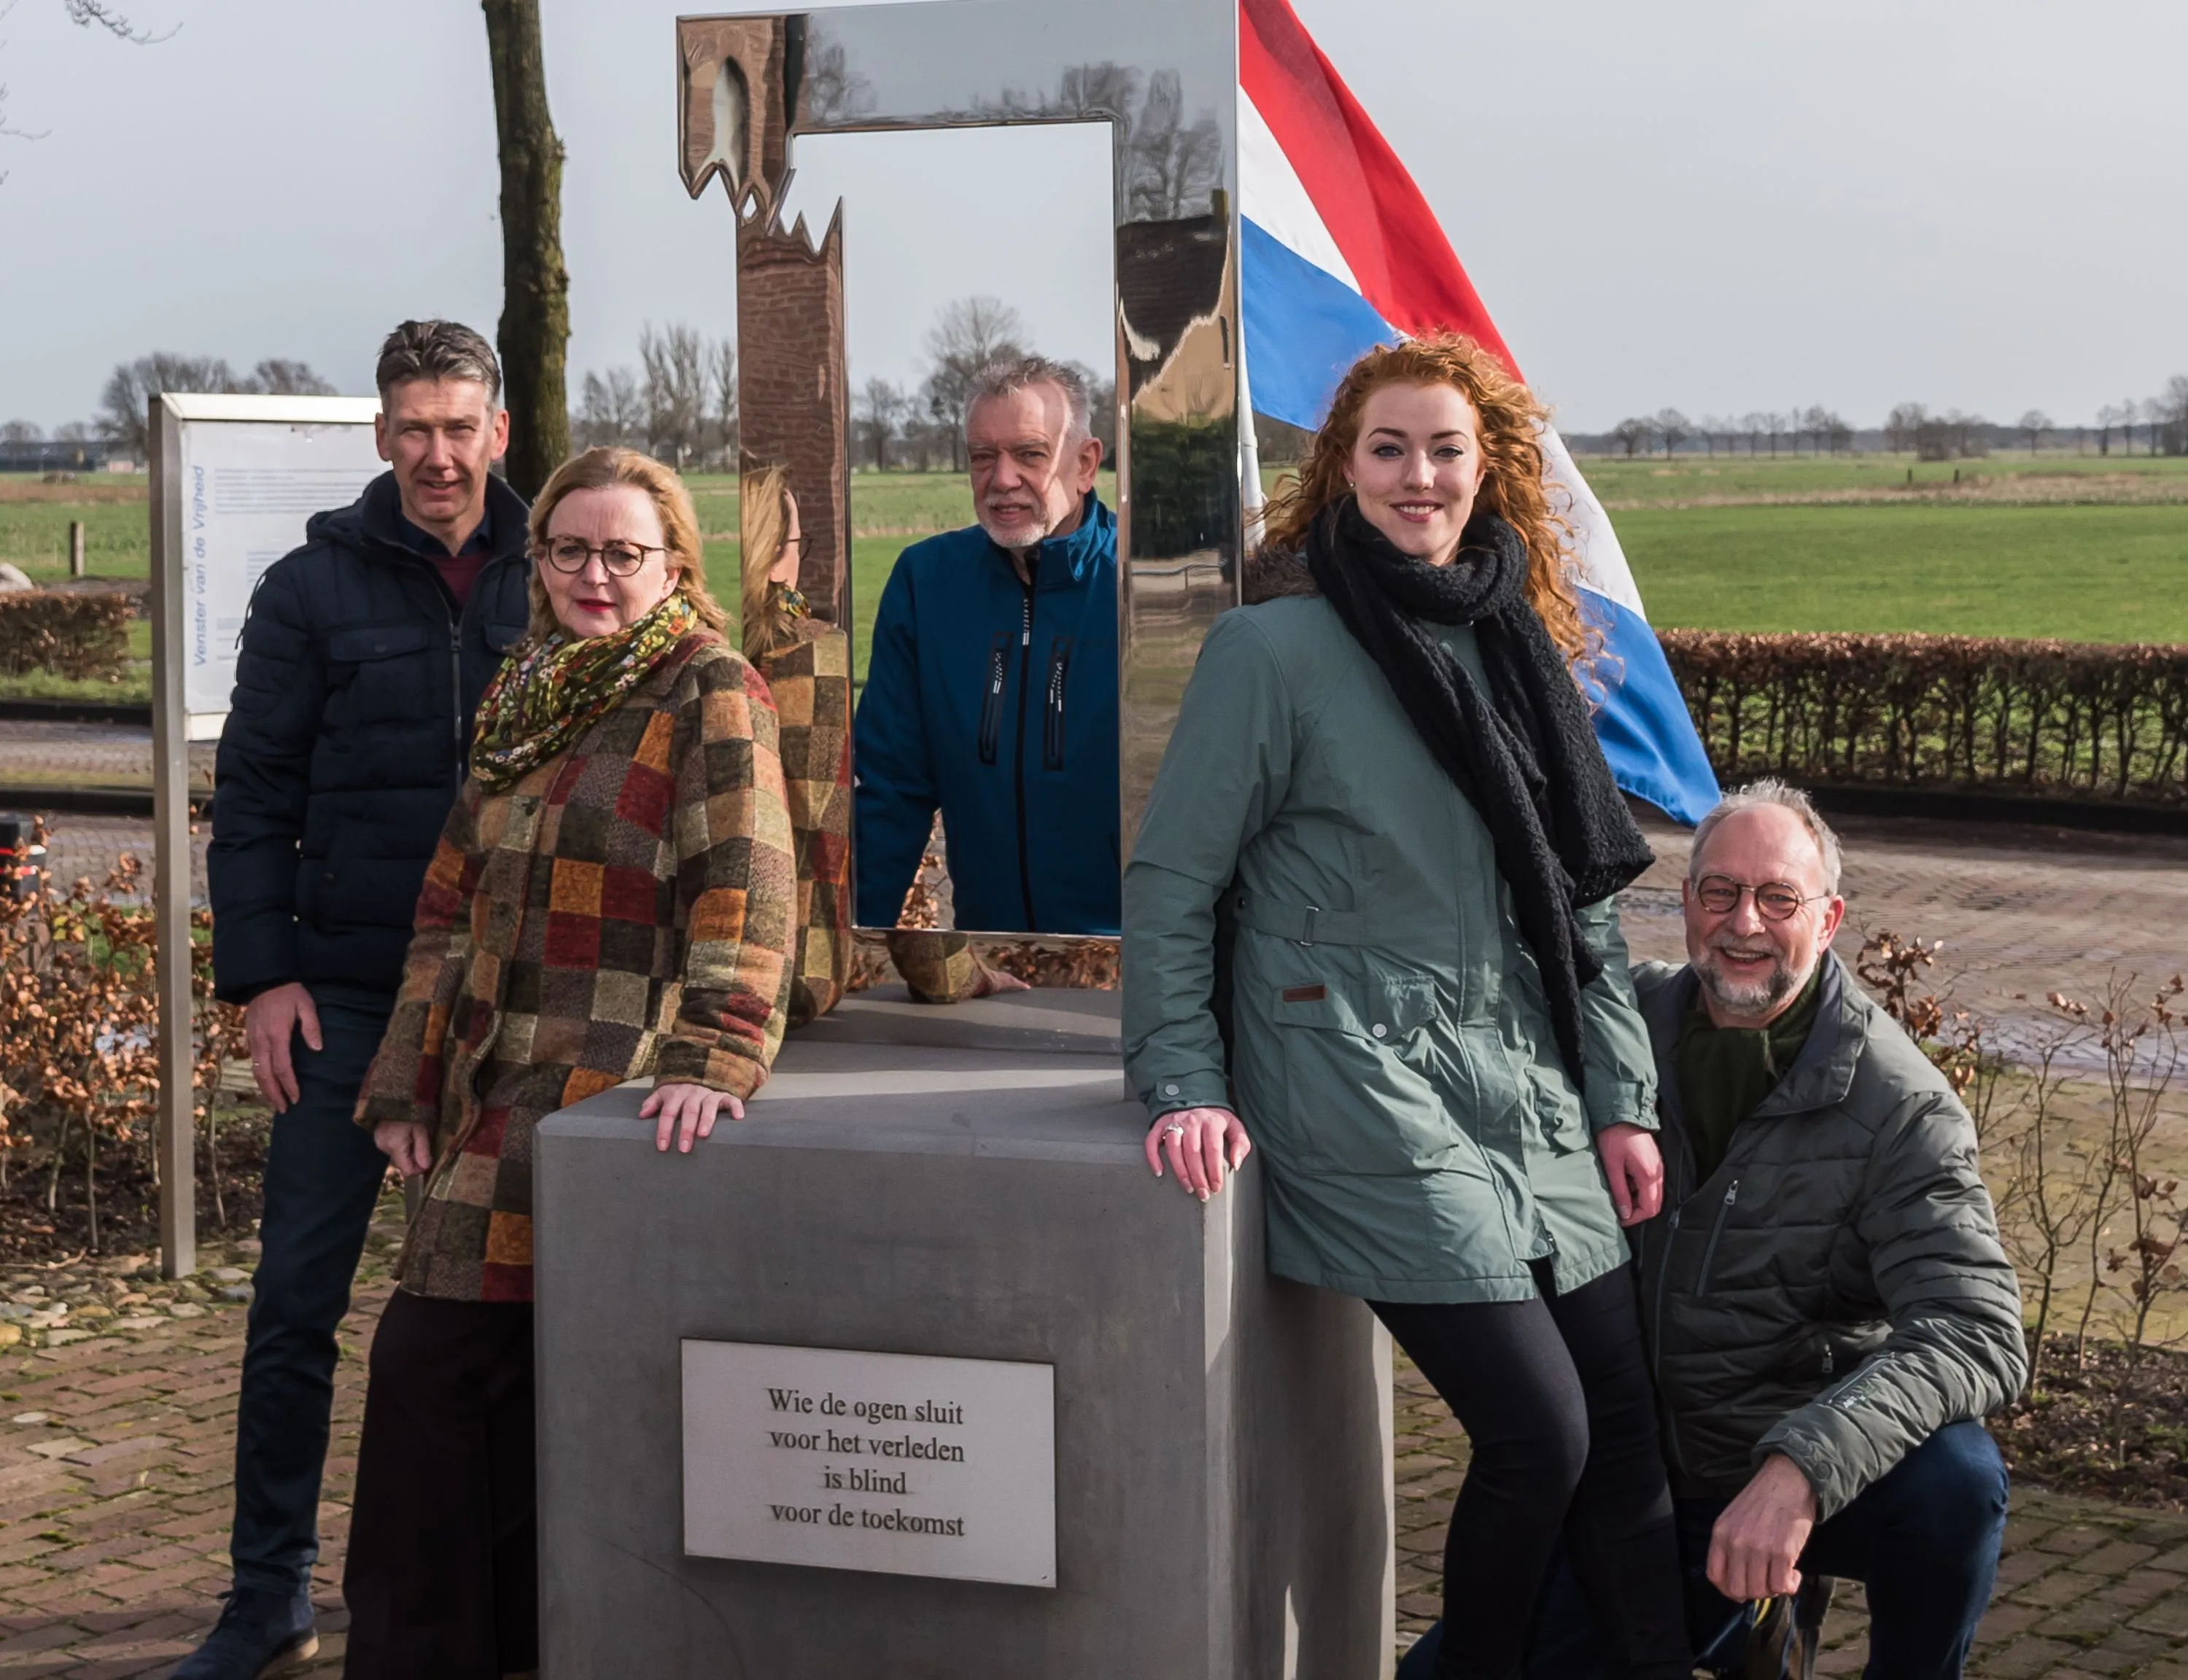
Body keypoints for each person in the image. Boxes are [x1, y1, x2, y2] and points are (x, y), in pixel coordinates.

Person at [1122, 333, 1688, 1680]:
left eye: (1446, 450)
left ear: (1487, 470)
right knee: (1540, 1432)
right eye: (1389, 449)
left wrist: (1622, 1101)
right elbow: (1173, 880)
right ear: (1342, 468)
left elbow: (1583, 905)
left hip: (1525, 1072)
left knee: (1624, 1434)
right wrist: (1183, 1077)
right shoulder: (1270, 650)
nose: (1418, 476)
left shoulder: (1519, 643)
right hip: (1355, 1072)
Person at [340, 446, 797, 1676]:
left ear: (674, 565)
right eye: (570, 550)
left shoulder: (709, 688)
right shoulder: (525, 691)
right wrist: (406, 1081)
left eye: (623, 553)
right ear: (537, 561)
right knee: (463, 1385)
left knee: (460, 1374)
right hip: (489, 1091)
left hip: (615, 1093)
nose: (595, 574)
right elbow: (447, 906)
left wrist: (713, 1056)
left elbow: (746, 884)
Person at [1403, 781, 2027, 1680]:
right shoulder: (1614, 1027)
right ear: (1687, 902)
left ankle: (1805, 1622)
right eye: (1720, 892)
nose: (1744, 923)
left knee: (1956, 1484)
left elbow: (1976, 1330)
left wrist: (1803, 1469)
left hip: (1794, 1473)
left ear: (1829, 919)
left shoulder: (1901, 1108)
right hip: (1629, 1489)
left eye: (1778, 898)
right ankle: (1743, 1629)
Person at [187, 321, 531, 1678]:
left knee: (519, 1305)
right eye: (414, 429)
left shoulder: (563, 567)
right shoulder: (307, 590)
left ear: (498, 431)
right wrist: (264, 974)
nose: (438, 455)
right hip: (342, 997)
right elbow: (255, 794)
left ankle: (522, 1587)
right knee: (294, 1305)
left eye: (459, 427)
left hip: (511, 1005)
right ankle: (267, 1589)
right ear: (381, 436)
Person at [853, 353, 1120, 936]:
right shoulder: (927, 583)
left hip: (1132, 957)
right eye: (982, 457)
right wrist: (850, 942)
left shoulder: (1142, 589)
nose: (1002, 480)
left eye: (1030, 454)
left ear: (1085, 464)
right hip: (984, 951)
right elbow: (891, 790)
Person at [740, 463, 853, 1024]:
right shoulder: (813, 657)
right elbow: (833, 829)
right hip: (789, 978)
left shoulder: (657, 648)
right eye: (797, 544)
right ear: (773, 555)